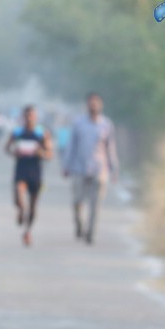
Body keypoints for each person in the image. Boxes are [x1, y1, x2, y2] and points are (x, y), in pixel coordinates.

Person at [62, 93, 118, 245]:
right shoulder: (78, 124)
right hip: (79, 168)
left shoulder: (106, 124)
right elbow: (71, 146)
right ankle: (79, 224)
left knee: (96, 204)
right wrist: (66, 165)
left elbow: (110, 148)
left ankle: (90, 232)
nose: (93, 106)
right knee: (77, 201)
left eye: (96, 103)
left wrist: (114, 169)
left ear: (101, 105)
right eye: (90, 103)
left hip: (99, 170)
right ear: (86, 105)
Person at [4, 105, 52, 247]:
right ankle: (20, 209)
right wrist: (14, 152)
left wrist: (41, 153)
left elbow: (50, 154)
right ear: (23, 117)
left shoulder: (42, 134)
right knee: (19, 196)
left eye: (31, 116)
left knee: (33, 207)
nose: (29, 119)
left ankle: (27, 231)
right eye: (26, 116)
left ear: (35, 117)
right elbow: (7, 148)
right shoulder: (17, 133)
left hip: (35, 172)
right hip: (21, 170)